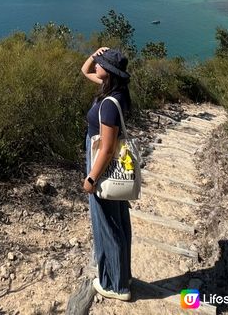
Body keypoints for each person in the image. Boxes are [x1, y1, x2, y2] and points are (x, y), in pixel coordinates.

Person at [81, 46, 133, 301]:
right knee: (119, 220)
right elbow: (84, 70)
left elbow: (108, 148)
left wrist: (92, 178)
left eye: (101, 63)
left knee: (107, 225)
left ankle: (115, 285)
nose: (96, 65)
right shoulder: (116, 92)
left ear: (109, 72)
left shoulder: (109, 105)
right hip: (108, 164)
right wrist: (95, 54)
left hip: (102, 165)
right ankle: (123, 275)